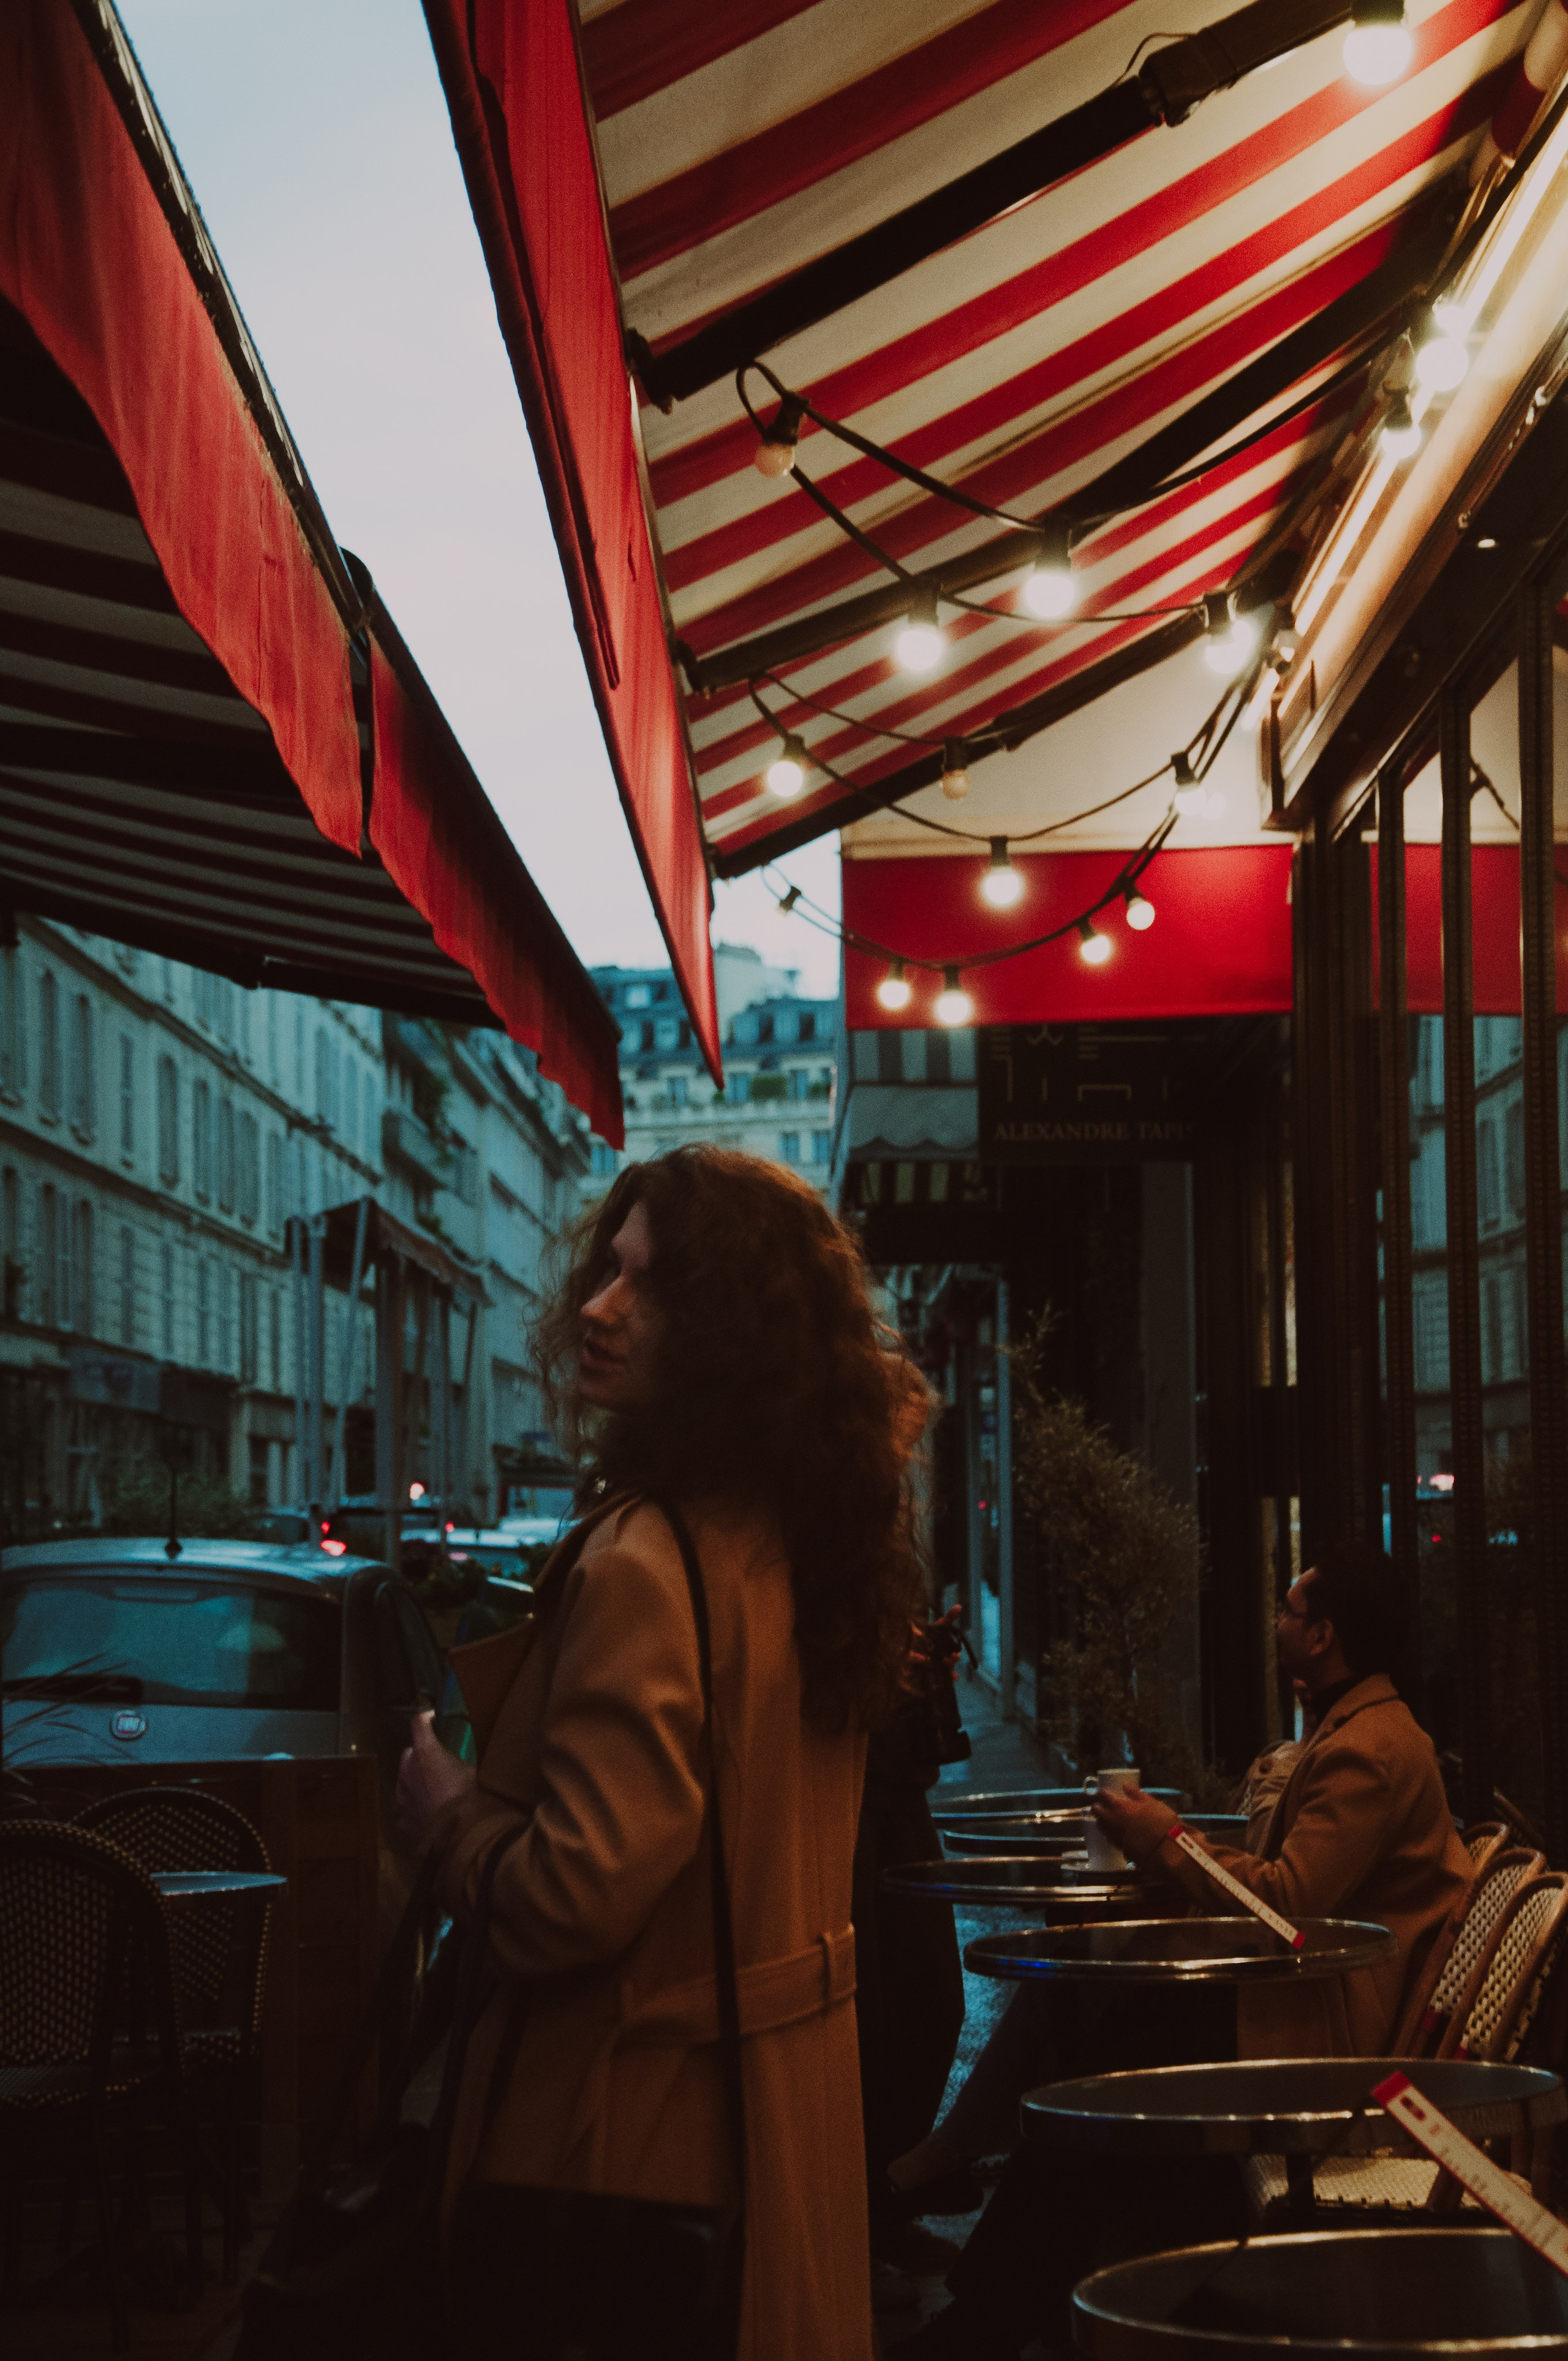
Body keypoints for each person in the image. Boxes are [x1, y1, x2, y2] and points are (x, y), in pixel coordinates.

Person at [394, 1147, 924, 2361]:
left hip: (633, 2145)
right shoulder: (811, 1539)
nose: (598, 1306)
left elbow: (575, 1895)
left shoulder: (646, 1560)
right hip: (783, 2125)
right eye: (607, 1270)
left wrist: (451, 1822)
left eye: (650, 1285)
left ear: (734, 1330)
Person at [895, 1540, 1472, 2358]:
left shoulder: (1369, 1750)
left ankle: (988, 2306)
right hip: (1298, 1998)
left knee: (1107, 2072)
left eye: (1289, 1610)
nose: (1276, 1622)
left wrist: (1164, 1838)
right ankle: (1001, 2299)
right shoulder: (1355, 1729)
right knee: (1096, 2026)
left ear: (1323, 1636)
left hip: (1323, 2030)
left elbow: (1287, 1902)